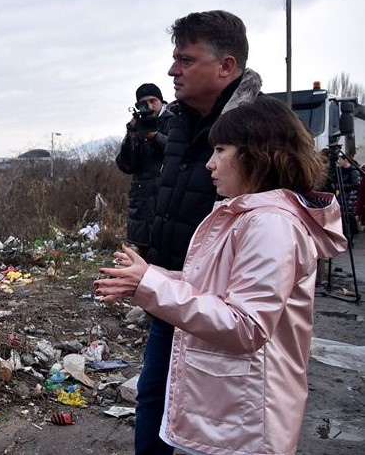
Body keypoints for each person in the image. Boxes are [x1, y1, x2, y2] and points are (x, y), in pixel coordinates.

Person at [95, 99, 346, 454]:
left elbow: (247, 325)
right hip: (232, 413)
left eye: (220, 149)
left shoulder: (269, 224)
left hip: (246, 424)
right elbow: (215, 289)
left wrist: (150, 286)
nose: (210, 163)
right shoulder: (246, 216)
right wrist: (148, 276)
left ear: (258, 154)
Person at [133, 10, 272, 454]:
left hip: (221, 310)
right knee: (153, 398)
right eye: (174, 59)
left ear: (226, 66)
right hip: (168, 290)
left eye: (186, 60)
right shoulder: (174, 121)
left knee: (213, 424)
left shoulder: (259, 131)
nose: (173, 70)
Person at [115, 83, 173, 253]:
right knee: (143, 259)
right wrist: (131, 133)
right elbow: (126, 165)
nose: (149, 106)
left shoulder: (174, 119)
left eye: (153, 100)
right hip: (142, 203)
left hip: (167, 198)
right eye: (143, 102)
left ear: (161, 101)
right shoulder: (138, 126)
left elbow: (180, 151)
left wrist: (156, 138)